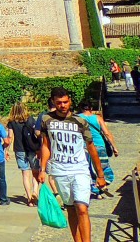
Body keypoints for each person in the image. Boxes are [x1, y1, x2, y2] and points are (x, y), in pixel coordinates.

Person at [39, 87, 107, 242]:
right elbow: (46, 145)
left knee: (82, 208)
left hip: (79, 169)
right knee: (70, 208)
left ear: (70, 101)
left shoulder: (80, 121)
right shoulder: (46, 120)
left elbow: (91, 147)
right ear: (53, 102)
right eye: (59, 103)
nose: (63, 105)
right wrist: (42, 169)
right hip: (59, 170)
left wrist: (100, 174)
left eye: (65, 102)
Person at [77, 100, 117, 197]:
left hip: (85, 147)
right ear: (91, 108)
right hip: (99, 145)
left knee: (90, 169)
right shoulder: (98, 118)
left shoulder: (78, 118)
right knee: (104, 167)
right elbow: (106, 133)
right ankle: (102, 185)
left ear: (81, 108)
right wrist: (114, 147)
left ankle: (96, 189)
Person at [7, 102, 40, 206]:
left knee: (25, 174)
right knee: (36, 172)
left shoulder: (11, 122)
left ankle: (29, 197)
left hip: (19, 149)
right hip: (31, 149)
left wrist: (6, 150)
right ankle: (35, 191)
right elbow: (37, 134)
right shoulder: (30, 119)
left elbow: (10, 138)